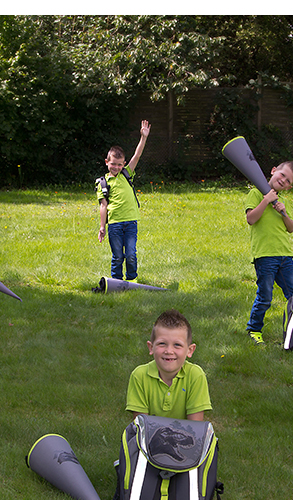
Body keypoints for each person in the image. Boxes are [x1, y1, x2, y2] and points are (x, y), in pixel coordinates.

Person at [243, 161, 293, 345]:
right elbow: (251, 219)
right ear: (273, 170)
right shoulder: (255, 193)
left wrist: (284, 212)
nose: (283, 180)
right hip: (265, 256)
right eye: (282, 175)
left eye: (288, 180)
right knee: (265, 296)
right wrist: (266, 200)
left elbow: (291, 228)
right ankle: (254, 329)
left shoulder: (283, 202)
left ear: (289, 187)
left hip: (285, 255)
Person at [126, 309, 212, 421]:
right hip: (150, 432)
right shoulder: (139, 376)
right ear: (151, 347)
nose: (169, 351)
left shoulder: (195, 375)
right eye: (162, 343)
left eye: (177, 345)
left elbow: (195, 426)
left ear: (190, 350)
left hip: (186, 432)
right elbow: (142, 426)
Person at [96, 120, 151, 282]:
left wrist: (143, 137)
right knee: (118, 256)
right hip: (114, 224)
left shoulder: (126, 174)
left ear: (124, 164)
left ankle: (132, 280)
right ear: (107, 162)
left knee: (131, 254)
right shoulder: (103, 183)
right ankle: (117, 282)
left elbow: (137, 155)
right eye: (113, 164)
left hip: (131, 222)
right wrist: (102, 227)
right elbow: (103, 205)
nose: (116, 167)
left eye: (119, 165)